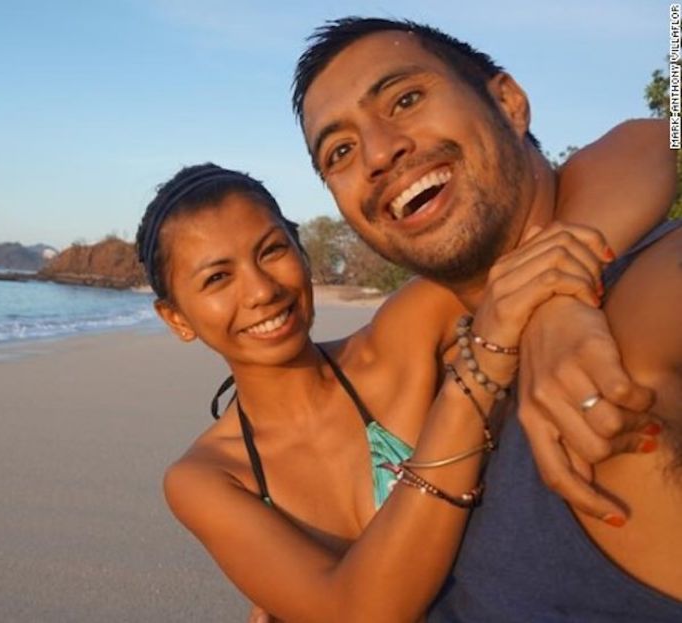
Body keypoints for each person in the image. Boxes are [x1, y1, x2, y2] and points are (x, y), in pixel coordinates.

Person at [143, 150, 667, 621]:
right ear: (177, 319)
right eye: (217, 279)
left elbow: (642, 150)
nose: (260, 290)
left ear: (301, 253)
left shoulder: (405, 335)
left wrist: (557, 308)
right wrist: (476, 379)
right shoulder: (209, 479)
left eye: (271, 250)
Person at [287, 16, 682, 621]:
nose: (377, 152)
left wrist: (564, 296)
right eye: (339, 151)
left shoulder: (639, 307)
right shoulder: (433, 342)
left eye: (407, 98)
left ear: (508, 102)